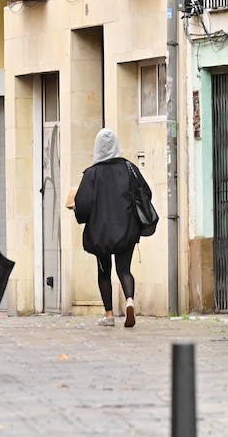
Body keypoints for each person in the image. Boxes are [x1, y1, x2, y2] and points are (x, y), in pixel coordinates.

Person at [73, 127, 150, 328]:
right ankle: (129, 301)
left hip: (100, 234)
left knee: (104, 272)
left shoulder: (91, 174)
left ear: (97, 147)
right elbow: (146, 193)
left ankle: (108, 316)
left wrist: (78, 212)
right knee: (124, 269)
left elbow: (82, 205)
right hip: (127, 230)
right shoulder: (129, 168)